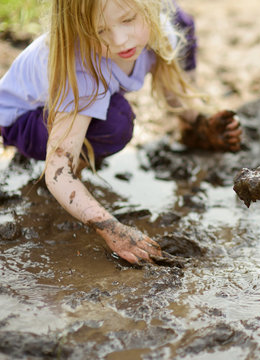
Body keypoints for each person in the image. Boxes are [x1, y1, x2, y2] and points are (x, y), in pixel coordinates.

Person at [0, 0, 242, 265]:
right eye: (99, 31)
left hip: (61, 104)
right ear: (79, 30)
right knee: (115, 121)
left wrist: (199, 123)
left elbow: (172, 89)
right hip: (21, 119)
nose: (119, 40)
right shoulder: (82, 68)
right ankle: (73, 186)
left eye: (128, 20)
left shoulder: (158, 30)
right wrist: (112, 228)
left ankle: (83, 165)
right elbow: (58, 172)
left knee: (180, 22)